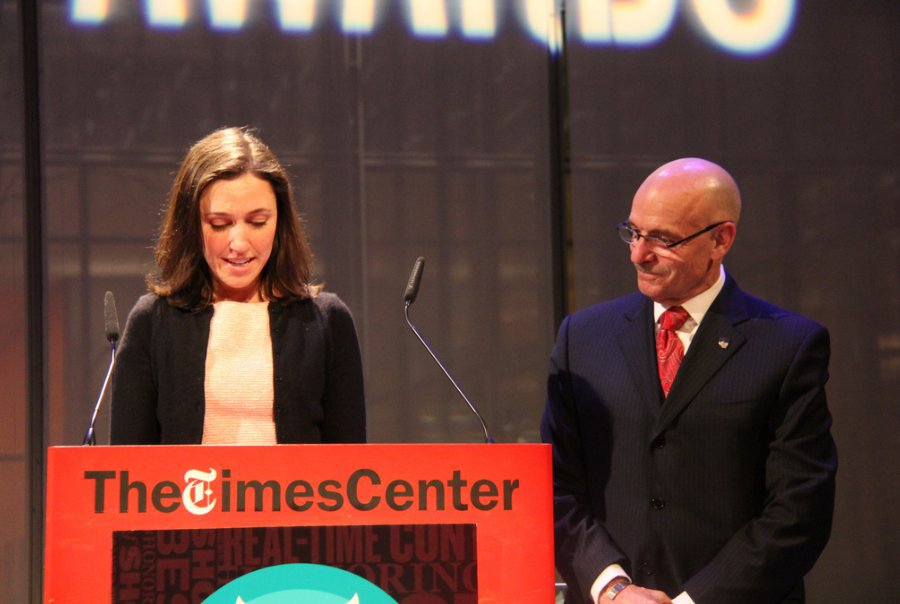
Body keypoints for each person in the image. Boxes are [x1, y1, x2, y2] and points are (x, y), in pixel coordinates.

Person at [541, 158, 836, 603]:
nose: (638, 254)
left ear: (721, 239)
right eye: (633, 232)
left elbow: (799, 510)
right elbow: (555, 487)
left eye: (662, 239)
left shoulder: (788, 346)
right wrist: (614, 589)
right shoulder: (581, 338)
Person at [110, 127, 366, 444]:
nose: (239, 243)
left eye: (258, 222)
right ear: (191, 225)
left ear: (280, 222)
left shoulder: (326, 322)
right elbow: (126, 467)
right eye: (220, 224)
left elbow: (350, 465)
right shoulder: (153, 322)